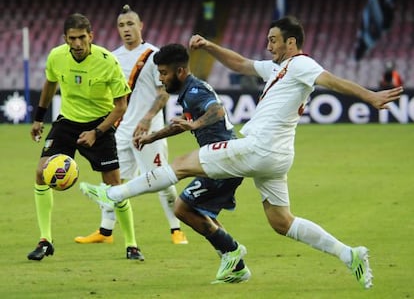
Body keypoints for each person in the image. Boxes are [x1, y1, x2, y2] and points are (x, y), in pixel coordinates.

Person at [80, 16, 403, 288]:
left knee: (180, 164)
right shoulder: (280, 69)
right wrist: (209, 46)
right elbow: (243, 64)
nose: (268, 45)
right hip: (276, 156)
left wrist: (370, 97)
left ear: (291, 43)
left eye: (274, 40)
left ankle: (115, 194)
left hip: (259, 146)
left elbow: (330, 80)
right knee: (281, 221)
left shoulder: (301, 64)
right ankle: (350, 254)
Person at [27, 13, 144, 261]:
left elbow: (121, 106)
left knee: (115, 185)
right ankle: (45, 240)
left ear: (91, 36)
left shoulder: (107, 61)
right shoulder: (56, 56)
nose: (77, 44)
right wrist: (39, 117)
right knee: (40, 172)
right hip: (67, 121)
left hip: (100, 123)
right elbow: (50, 83)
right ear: (65, 39)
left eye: (82, 38)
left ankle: (132, 244)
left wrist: (97, 132)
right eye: (72, 39)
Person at [74, 5, 188, 247]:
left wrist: (147, 119)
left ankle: (176, 227)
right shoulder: (112, 57)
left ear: (140, 26)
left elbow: (164, 92)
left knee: (161, 179)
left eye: (130, 24)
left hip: (150, 131)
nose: (126, 29)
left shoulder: (154, 56)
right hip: (121, 131)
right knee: (112, 182)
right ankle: (105, 231)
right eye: (121, 25)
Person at [135, 43, 247, 283]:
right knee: (202, 213)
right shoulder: (188, 92)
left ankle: (233, 251)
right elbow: (182, 124)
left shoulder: (196, 92)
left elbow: (216, 111)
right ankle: (237, 267)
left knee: (182, 208)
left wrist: (195, 125)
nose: (161, 78)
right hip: (224, 159)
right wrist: (151, 137)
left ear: (180, 72)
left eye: (164, 73)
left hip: (222, 160)